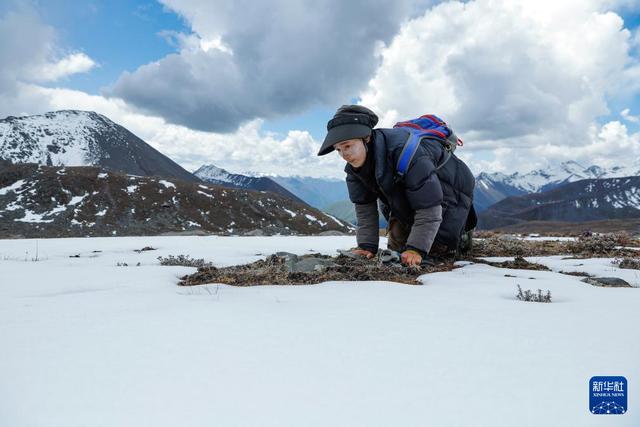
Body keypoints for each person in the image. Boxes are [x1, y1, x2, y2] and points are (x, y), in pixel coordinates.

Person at [317, 105, 476, 266]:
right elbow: (365, 210)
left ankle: (463, 236)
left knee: (438, 252)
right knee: (398, 254)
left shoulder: (407, 153)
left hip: (450, 191)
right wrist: (366, 246)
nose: (344, 155)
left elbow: (430, 208)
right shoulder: (354, 171)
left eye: (347, 146)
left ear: (366, 138)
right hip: (409, 197)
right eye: (338, 150)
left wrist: (416, 249)